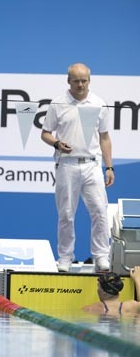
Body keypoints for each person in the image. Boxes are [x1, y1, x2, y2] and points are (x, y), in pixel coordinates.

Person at [41, 63, 115, 273]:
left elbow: (104, 137)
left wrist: (109, 167)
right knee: (66, 214)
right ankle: (65, 257)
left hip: (92, 164)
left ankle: (101, 256)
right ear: (68, 81)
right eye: (76, 81)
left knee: (100, 211)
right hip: (67, 164)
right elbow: (45, 133)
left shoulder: (99, 104)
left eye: (84, 81)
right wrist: (57, 143)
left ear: (89, 81)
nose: (80, 85)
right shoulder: (58, 104)